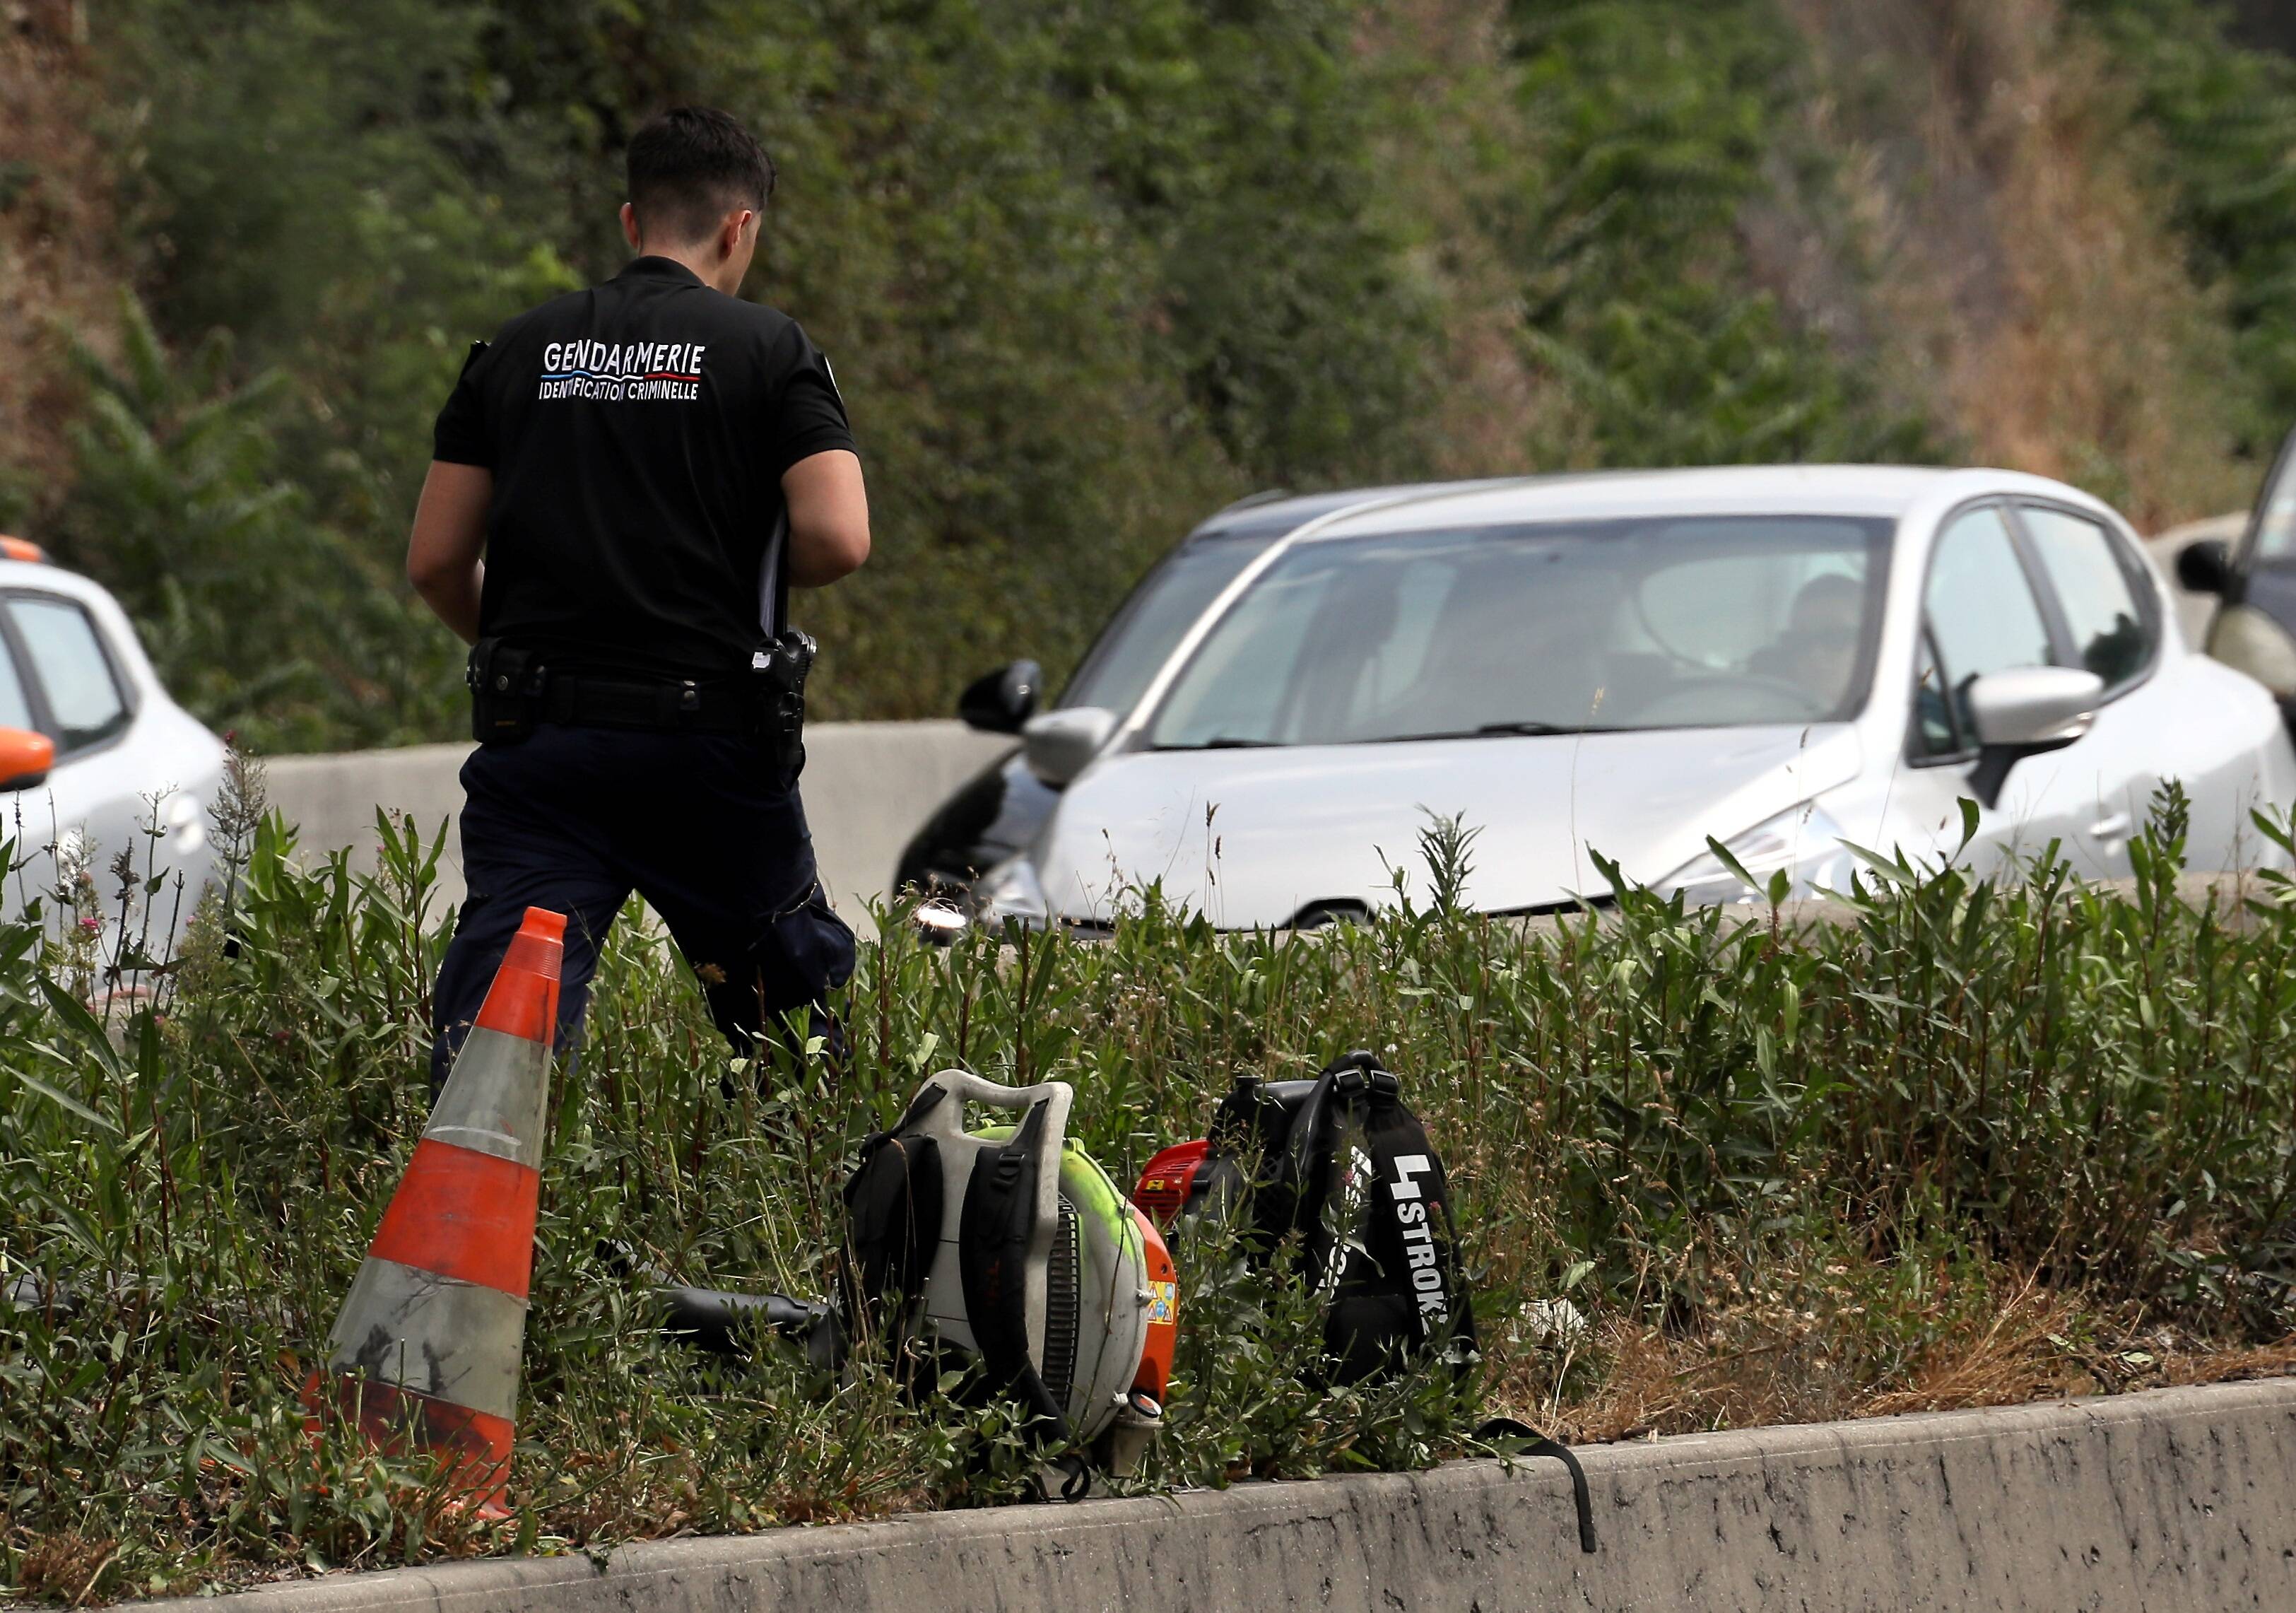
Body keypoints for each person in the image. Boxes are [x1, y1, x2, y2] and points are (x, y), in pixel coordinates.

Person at [404, 105, 869, 1093]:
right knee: (794, 1030)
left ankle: (475, 1189)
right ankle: (819, 1178)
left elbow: (437, 561)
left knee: (499, 1040)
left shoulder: (514, 352)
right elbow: (839, 536)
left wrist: (538, 644)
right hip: (709, 752)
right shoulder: (769, 350)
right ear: (740, 227)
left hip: (544, 752)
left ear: (631, 220)